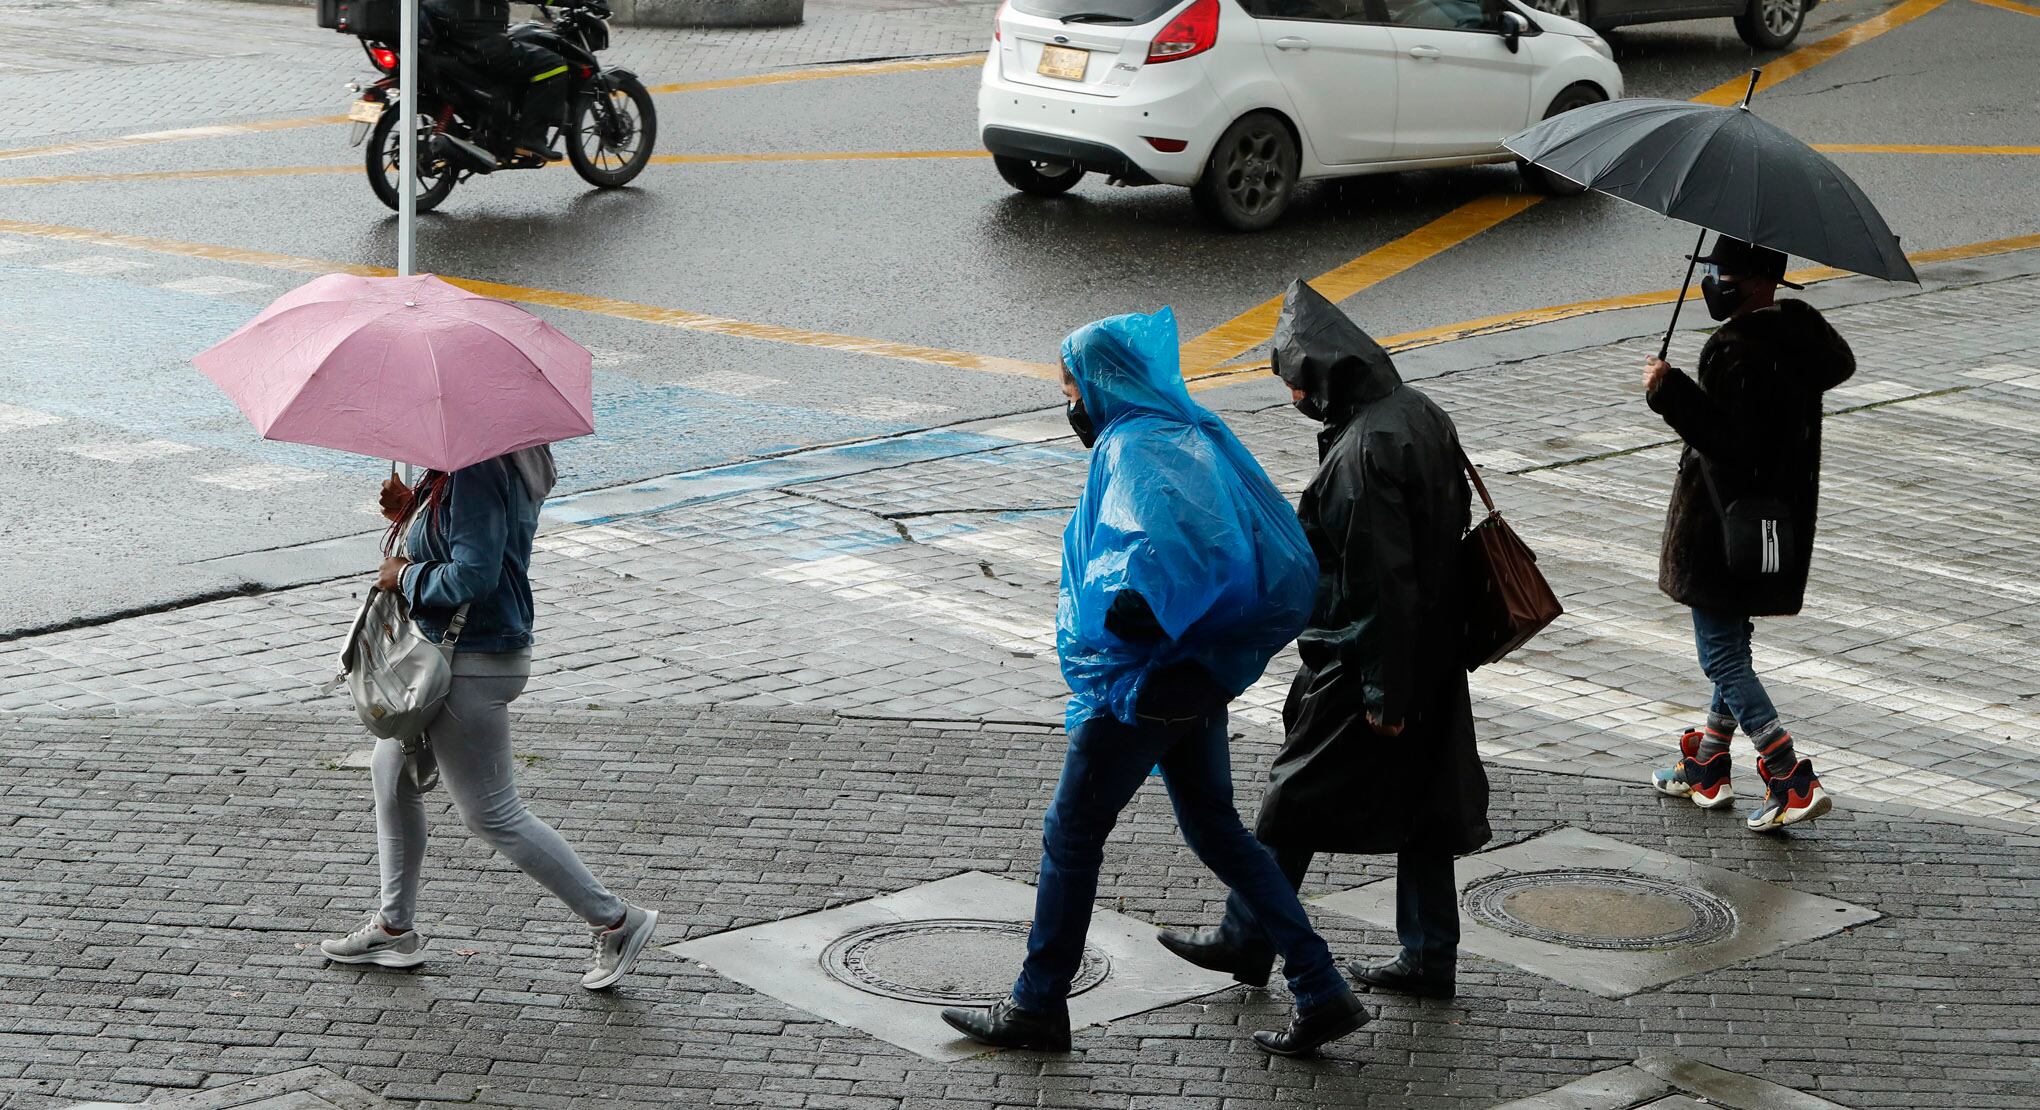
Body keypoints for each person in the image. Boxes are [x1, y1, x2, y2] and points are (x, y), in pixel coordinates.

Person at [939, 308, 1369, 1058]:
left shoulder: (1135, 449)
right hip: (1196, 679)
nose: (1069, 404)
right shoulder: (1185, 431)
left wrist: (1131, 620)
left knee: (1072, 835)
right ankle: (1320, 984)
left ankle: (1037, 1005)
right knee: (1216, 830)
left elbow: (1174, 565)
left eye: (1070, 388)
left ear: (1100, 385)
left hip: (1149, 685)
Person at [1156, 281, 1488, 1002]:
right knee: (1427, 808)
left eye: (1293, 383)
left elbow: (1378, 582)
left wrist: (1382, 692)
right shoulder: (1417, 414)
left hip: (1368, 657)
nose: (1292, 397)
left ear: (1322, 377)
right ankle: (1430, 955)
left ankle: (1247, 936)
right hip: (1432, 650)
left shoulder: (1361, 454)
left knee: (1291, 799)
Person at [319, 448, 659, 991]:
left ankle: (616, 920)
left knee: (492, 813)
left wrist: (404, 573)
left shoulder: (475, 469)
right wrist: (412, 511)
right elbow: (466, 542)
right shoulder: (462, 470)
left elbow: (474, 574)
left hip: (468, 662)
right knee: (392, 775)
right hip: (459, 657)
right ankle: (394, 927)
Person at [1644, 236, 1854, 833]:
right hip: (1772, 523)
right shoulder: (1799, 340)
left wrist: (1669, 392)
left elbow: (1732, 445)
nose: (1714, 282)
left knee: (1721, 655)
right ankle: (1708, 764)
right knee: (1732, 644)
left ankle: (1789, 775)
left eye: (1724, 273)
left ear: (1757, 280)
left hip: (1721, 526)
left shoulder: (1735, 349)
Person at [424, 0, 569, 159]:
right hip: (480, 44)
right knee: (553, 65)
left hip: (448, 37)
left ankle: (495, 127)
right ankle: (530, 138)